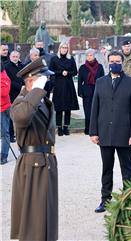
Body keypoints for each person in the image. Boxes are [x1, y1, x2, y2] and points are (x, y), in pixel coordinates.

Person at [10, 58, 58, 241]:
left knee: (46, 218)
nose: (46, 84)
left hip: (46, 163)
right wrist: (37, 89)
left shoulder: (41, 101)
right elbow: (22, 117)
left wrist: (39, 93)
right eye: (42, 80)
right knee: (33, 222)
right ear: (31, 81)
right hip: (32, 166)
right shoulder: (21, 102)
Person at [89, 50, 131, 213]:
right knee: (106, 168)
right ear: (108, 63)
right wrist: (93, 132)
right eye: (112, 61)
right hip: (104, 133)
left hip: (124, 134)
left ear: (122, 63)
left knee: (127, 169)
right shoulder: (100, 82)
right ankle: (105, 200)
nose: (115, 64)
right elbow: (95, 108)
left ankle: (130, 199)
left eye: (118, 61)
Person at [49, 41, 79, 136]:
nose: (64, 49)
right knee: (59, 108)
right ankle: (59, 127)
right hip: (58, 85)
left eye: (66, 48)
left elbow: (75, 71)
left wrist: (68, 73)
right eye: (63, 47)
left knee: (67, 107)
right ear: (59, 48)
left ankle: (66, 127)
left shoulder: (71, 59)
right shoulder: (54, 59)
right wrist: (61, 72)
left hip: (68, 85)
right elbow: (51, 71)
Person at [78, 48, 105, 135]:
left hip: (97, 90)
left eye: (91, 55)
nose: (89, 57)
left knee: (97, 109)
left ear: (94, 56)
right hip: (86, 91)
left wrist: (103, 91)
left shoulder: (100, 67)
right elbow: (79, 81)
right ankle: (88, 128)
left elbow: (103, 79)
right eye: (88, 55)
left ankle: (96, 129)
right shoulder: (82, 67)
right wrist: (80, 92)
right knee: (87, 110)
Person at [5, 51, 25, 142]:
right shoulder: (7, 67)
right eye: (13, 56)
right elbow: (8, 80)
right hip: (12, 94)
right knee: (11, 115)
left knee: (21, 115)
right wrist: (20, 87)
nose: (15, 58)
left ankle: (20, 134)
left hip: (22, 93)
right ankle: (11, 135)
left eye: (17, 56)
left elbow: (25, 77)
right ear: (10, 57)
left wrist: (25, 85)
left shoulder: (22, 66)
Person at [0, 62, 11, 165]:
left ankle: (3, 155)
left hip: (3, 108)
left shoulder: (3, 76)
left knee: (4, 133)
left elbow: (4, 92)